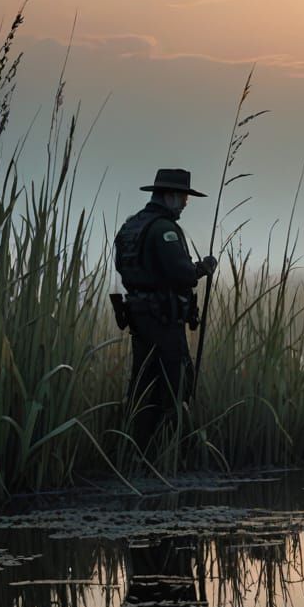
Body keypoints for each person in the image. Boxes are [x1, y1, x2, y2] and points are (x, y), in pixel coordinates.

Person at [113, 169, 218, 445]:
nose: (185, 203)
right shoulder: (165, 230)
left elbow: (123, 267)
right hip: (163, 319)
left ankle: (135, 448)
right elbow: (181, 274)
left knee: (144, 382)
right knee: (176, 382)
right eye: (184, 197)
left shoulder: (131, 226)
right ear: (170, 196)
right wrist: (203, 268)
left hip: (139, 317)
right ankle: (168, 451)